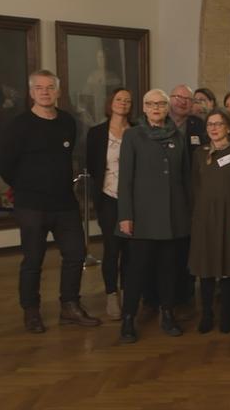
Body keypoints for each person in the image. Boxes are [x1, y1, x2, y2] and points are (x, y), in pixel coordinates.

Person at [0, 69, 101, 333]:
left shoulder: (67, 121)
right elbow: (4, 166)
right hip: (31, 205)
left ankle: (70, 306)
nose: (45, 92)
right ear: (31, 92)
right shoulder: (18, 125)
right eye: (39, 88)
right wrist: (27, 188)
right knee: (33, 260)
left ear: (58, 91)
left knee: (76, 255)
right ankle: (31, 311)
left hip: (65, 203)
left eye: (50, 87)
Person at [117, 88, 191, 343]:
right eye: (151, 104)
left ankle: (167, 314)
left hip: (173, 216)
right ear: (144, 108)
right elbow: (125, 179)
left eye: (161, 104)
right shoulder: (132, 136)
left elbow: (185, 177)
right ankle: (128, 318)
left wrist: (188, 212)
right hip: (143, 216)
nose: (156, 108)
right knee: (136, 270)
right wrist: (125, 215)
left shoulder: (178, 136)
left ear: (167, 107)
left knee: (169, 269)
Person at [189, 109, 230, 334]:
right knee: (205, 269)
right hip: (204, 219)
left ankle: (226, 314)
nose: (213, 128)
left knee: (229, 268)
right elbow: (194, 187)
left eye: (218, 124)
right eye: (210, 124)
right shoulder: (199, 153)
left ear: (228, 127)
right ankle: (206, 314)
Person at [86, 87, 133, 321]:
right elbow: (92, 166)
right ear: (110, 103)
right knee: (112, 249)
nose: (123, 103)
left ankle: (128, 293)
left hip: (133, 199)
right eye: (118, 99)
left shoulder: (137, 132)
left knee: (130, 250)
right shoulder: (96, 133)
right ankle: (111, 295)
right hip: (107, 197)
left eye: (127, 100)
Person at [168, 84, 206, 312]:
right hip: (167, 193)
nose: (182, 102)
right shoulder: (160, 123)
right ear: (170, 99)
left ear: (192, 103)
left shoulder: (198, 125)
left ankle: (187, 292)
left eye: (187, 99)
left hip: (192, 195)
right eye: (178, 97)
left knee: (188, 246)